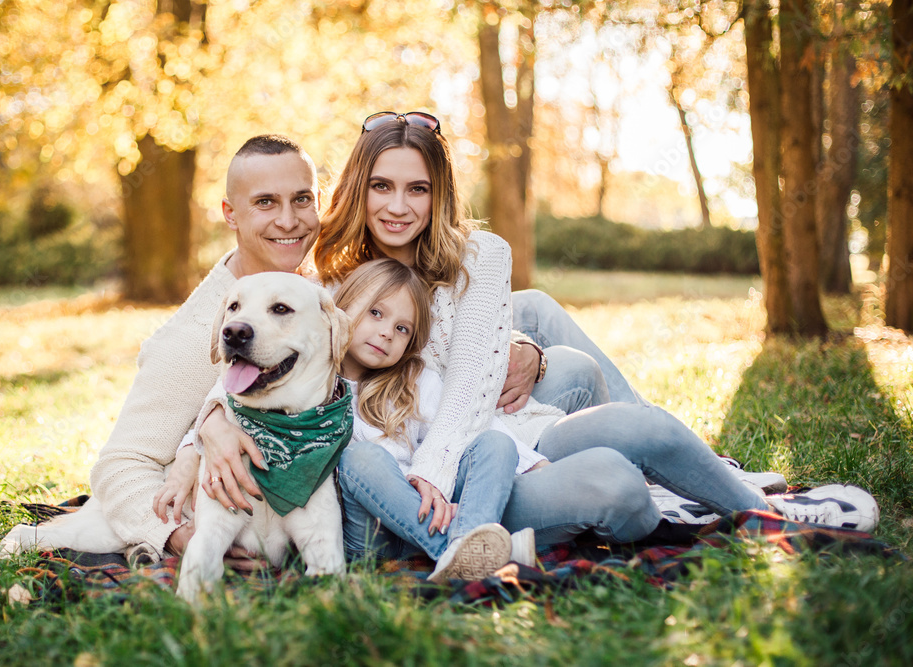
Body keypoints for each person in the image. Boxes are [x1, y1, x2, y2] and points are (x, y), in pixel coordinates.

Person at [307, 111, 879, 545]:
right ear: (360, 187)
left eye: (418, 188)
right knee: (614, 483)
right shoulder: (333, 284)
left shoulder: (479, 256)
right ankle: (650, 507)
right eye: (382, 185)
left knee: (646, 427)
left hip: (502, 443)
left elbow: (469, 389)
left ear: (440, 194)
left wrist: (442, 459)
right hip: (433, 490)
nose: (398, 206)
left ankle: (765, 515)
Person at [88, 134, 321, 562]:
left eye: (302, 199)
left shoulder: (323, 293)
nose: (289, 221)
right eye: (266, 203)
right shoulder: (196, 337)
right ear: (230, 215)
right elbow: (120, 463)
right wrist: (180, 536)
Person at [332, 257, 539, 581]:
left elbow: (468, 425)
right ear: (343, 304)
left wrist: (538, 465)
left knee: (494, 442)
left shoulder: (413, 380)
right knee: (360, 457)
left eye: (402, 329)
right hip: (371, 539)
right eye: (376, 312)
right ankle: (469, 552)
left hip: (428, 516)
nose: (387, 333)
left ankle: (463, 546)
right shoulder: (312, 376)